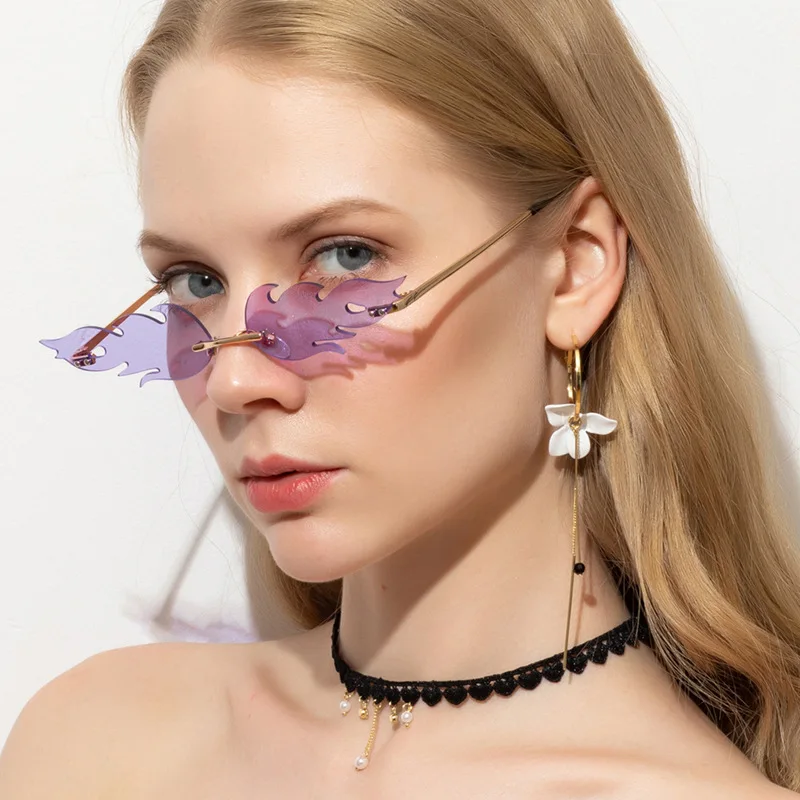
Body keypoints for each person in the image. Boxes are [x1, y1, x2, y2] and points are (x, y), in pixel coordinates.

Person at [2, 0, 800, 796]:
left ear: (575, 264)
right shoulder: (93, 744)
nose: (235, 380)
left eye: (345, 257)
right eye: (195, 282)